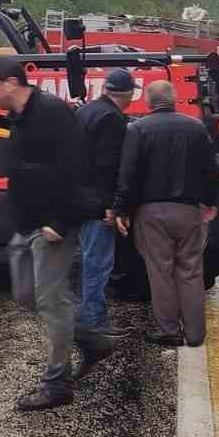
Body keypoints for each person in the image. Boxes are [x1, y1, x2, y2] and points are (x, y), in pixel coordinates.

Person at [0, 56, 115, 411]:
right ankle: (90, 340)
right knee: (27, 296)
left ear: (10, 82)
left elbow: (76, 170)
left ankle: (57, 383)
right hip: (25, 224)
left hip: (51, 227)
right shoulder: (19, 117)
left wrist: (59, 221)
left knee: (51, 301)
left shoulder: (52, 113)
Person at [113, 80, 219, 347]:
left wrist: (122, 210)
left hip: (150, 212)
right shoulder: (195, 127)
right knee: (191, 271)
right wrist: (211, 202)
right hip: (188, 210)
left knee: (160, 272)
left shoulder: (137, 129)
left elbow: (128, 175)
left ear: (148, 102)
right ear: (174, 100)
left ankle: (169, 330)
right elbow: (210, 168)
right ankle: (196, 334)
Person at [74, 68, 133, 334]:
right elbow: (107, 167)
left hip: (80, 198)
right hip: (98, 202)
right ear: (129, 93)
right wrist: (112, 206)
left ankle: (86, 315)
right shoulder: (112, 118)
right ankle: (93, 322)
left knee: (89, 259)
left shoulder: (86, 110)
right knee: (98, 263)